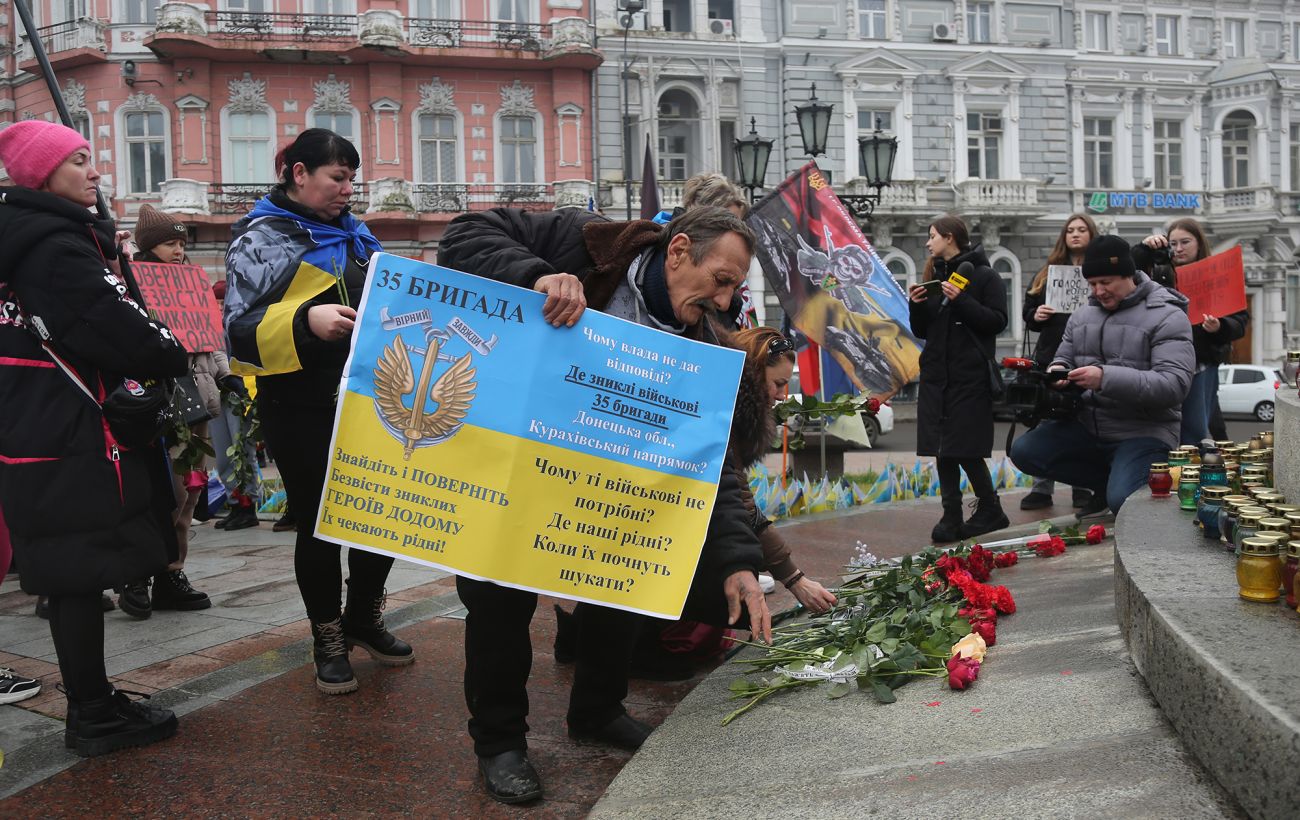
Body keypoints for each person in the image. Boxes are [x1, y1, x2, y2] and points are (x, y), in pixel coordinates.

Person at [437, 205, 771, 805]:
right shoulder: (586, 242)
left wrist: (740, 559)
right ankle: (500, 743)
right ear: (677, 252)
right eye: (720, 280)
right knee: (497, 603)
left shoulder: (701, 346)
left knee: (625, 580)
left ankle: (597, 710)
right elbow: (463, 234)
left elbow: (712, 465)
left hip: (608, 492)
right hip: (519, 460)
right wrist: (536, 275)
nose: (725, 302)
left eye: (734, 288)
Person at [0, 120, 186, 754]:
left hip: (34, 422)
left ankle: (94, 699)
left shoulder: (27, 238)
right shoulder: (54, 245)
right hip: (68, 430)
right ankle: (93, 714)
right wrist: (169, 348)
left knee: (68, 572)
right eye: (80, 160)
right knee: (76, 573)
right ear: (44, 175)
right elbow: (113, 325)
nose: (97, 171)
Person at [224, 129, 413, 695]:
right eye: (338, 177)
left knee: (377, 516)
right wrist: (306, 322)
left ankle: (364, 618)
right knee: (321, 524)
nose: (348, 190)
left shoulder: (360, 240)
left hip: (371, 400)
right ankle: (327, 638)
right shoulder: (260, 241)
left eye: (353, 178)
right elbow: (237, 332)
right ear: (298, 173)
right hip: (299, 405)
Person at [1009, 235, 1194, 514]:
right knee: (1024, 451)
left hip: (1144, 431)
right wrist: (1057, 374)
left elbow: (1173, 386)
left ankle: (1119, 488)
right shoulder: (1083, 315)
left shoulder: (1167, 315)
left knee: (1123, 502)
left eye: (1106, 282)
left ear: (1129, 275)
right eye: (1092, 284)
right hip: (1088, 425)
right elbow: (1063, 357)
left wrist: (1104, 378)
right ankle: (1108, 483)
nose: (1098, 291)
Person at [119, 204, 231, 614]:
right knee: (158, 494)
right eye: (171, 243)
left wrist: (226, 375)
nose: (180, 250)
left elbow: (208, 336)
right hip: (157, 403)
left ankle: (171, 571)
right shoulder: (131, 285)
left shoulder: (191, 283)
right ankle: (136, 573)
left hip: (196, 403)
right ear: (150, 247)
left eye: (182, 243)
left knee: (189, 492)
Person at [907, 215, 1008, 542]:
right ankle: (951, 515)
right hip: (937, 375)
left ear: (950, 238)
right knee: (942, 448)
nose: (928, 242)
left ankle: (990, 507)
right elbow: (924, 330)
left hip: (969, 376)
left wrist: (961, 299)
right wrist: (916, 306)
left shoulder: (985, 276)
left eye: (933, 235)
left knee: (964, 448)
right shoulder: (935, 275)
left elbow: (996, 321)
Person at [1133, 218, 1248, 445]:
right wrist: (1144, 248)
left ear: (1199, 243)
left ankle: (1190, 476)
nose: (1178, 249)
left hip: (1201, 363)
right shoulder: (1159, 270)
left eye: (1185, 242)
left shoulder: (1216, 275)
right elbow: (1129, 273)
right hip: (1161, 362)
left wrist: (1220, 327)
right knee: (1158, 426)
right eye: (1173, 243)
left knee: (1195, 428)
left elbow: (1240, 322)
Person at [1019, 214, 1098, 512]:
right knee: (1045, 420)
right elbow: (1028, 311)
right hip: (1050, 357)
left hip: (1088, 357)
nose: (1075, 235)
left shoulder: (1097, 272)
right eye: (1070, 230)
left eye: (1081, 230)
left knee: (1083, 422)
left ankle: (1083, 488)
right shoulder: (1047, 273)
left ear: (1092, 234)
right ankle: (1041, 488)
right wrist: (1035, 315)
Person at [206, 279, 260, 532]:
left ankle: (248, 503)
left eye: (221, 301)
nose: (218, 306)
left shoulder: (237, 323)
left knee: (242, 450)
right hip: (217, 392)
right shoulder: (206, 325)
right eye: (214, 301)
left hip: (239, 392)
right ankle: (234, 502)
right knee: (223, 451)